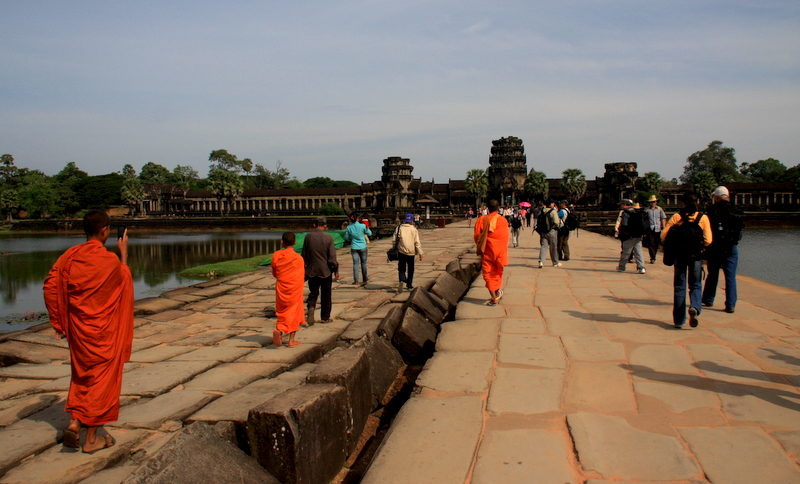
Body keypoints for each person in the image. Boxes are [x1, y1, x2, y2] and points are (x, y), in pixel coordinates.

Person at [43, 210, 134, 454]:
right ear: (105, 231)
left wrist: (60, 321)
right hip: (104, 333)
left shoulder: (69, 257)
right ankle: (92, 439)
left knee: (83, 376)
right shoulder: (109, 260)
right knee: (102, 382)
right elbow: (123, 284)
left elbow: (50, 286)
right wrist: (123, 256)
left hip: (79, 330)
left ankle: (75, 421)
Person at [661, 192, 713, 329]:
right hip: (696, 256)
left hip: (679, 255)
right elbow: (708, 240)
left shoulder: (678, 217)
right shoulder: (703, 218)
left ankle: (679, 320)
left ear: (683, 203)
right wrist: (701, 246)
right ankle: (695, 307)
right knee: (695, 284)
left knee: (679, 286)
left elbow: (663, 235)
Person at [702, 186, 743, 313]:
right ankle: (730, 304)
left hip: (715, 246)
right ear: (728, 196)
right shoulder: (736, 210)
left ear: (717, 197)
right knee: (730, 276)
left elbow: (707, 228)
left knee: (713, 274)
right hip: (731, 246)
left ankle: (709, 299)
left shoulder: (712, 210)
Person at [301, 217, 339, 325]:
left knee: (313, 292)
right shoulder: (328, 238)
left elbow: (304, 255)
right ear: (325, 226)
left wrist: (304, 269)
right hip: (325, 271)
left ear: (314, 225)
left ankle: (311, 306)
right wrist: (336, 270)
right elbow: (332, 258)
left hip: (312, 270)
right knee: (326, 295)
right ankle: (325, 317)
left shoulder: (308, 237)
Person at [271, 232, 305, 347]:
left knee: (282, 311)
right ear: (295, 242)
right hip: (294, 289)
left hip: (281, 287)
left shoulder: (277, 255)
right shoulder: (298, 258)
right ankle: (291, 341)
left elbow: (275, 272)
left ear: (282, 242)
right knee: (294, 312)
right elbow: (301, 276)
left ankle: (280, 331)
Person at [474, 199, 509, 305]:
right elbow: (505, 237)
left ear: (487, 208)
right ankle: (497, 291)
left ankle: (494, 296)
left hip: (488, 252)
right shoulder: (503, 221)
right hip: (500, 253)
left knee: (488, 273)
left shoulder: (481, 220)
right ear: (499, 208)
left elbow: (477, 236)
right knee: (498, 272)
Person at [394, 213, 424, 292]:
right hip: (411, 252)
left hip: (401, 251)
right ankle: (409, 284)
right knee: (411, 269)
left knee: (401, 267)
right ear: (411, 221)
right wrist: (420, 253)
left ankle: (402, 279)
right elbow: (417, 242)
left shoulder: (399, 228)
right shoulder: (413, 229)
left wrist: (394, 248)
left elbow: (394, 240)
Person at [616, 200, 647, 273]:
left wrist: (622, 232)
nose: (621, 206)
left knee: (626, 252)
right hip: (639, 235)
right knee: (638, 252)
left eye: (622, 205)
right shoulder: (638, 211)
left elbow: (624, 224)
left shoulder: (626, 213)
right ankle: (641, 267)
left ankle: (621, 267)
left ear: (625, 204)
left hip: (629, 235)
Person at [345, 213, 372, 285]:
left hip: (354, 246)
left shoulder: (349, 227)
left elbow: (347, 237)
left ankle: (356, 280)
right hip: (362, 246)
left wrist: (352, 239)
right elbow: (369, 233)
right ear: (357, 219)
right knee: (363, 263)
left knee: (355, 264)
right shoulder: (363, 226)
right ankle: (364, 277)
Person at [536, 198, 562, 268]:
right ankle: (555, 262)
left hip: (543, 232)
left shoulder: (541, 211)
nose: (554, 204)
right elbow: (556, 222)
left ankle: (541, 261)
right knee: (553, 247)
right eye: (553, 203)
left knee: (544, 247)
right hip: (551, 231)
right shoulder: (553, 212)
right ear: (550, 204)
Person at [645, 195, 667, 264]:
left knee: (656, 243)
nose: (653, 203)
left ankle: (654, 255)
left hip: (658, 228)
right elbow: (644, 219)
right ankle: (652, 257)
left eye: (654, 202)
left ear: (656, 202)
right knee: (651, 243)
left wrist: (663, 227)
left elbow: (663, 218)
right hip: (650, 228)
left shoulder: (659, 209)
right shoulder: (647, 210)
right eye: (651, 202)